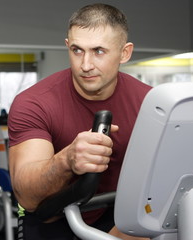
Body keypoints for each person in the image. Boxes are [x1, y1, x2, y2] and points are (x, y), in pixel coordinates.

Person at [8, 3, 152, 240]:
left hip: (121, 215)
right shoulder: (33, 102)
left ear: (124, 53)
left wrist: (127, 231)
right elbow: (28, 197)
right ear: (67, 46)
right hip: (53, 215)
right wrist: (67, 159)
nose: (85, 65)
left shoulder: (149, 102)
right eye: (77, 50)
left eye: (99, 51)